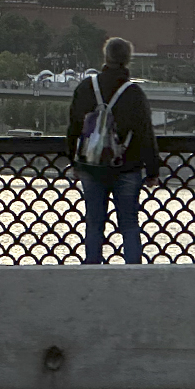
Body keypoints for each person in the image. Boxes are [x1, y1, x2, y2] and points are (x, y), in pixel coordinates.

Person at [66, 36, 160, 264]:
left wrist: (74, 161)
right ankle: (133, 273)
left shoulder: (86, 88)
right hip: (127, 167)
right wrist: (153, 170)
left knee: (94, 222)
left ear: (105, 57)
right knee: (129, 223)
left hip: (91, 166)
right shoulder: (134, 93)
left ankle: (92, 270)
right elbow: (145, 133)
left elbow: (73, 128)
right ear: (128, 60)